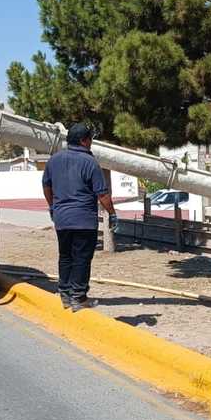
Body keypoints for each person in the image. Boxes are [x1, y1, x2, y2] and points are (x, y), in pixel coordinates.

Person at [42, 123, 118, 311]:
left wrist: (53, 206)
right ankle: (79, 297)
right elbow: (102, 194)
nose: (91, 143)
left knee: (65, 256)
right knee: (82, 258)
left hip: (62, 219)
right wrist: (113, 214)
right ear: (84, 141)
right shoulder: (89, 162)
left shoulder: (54, 160)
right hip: (84, 219)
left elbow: (46, 186)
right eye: (90, 139)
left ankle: (65, 295)